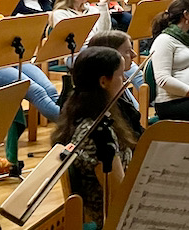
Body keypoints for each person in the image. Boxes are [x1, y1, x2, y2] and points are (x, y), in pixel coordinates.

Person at [52, 47, 136, 228]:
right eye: (121, 75)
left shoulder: (85, 114)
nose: (125, 82)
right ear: (103, 81)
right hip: (110, 220)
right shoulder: (97, 134)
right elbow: (119, 198)